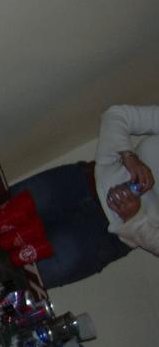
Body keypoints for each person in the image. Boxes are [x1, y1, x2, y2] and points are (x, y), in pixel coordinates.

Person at [9, 104, 158, 288]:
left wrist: (134, 218)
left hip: (101, 237)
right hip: (76, 183)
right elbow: (116, 115)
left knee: (11, 281)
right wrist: (129, 157)